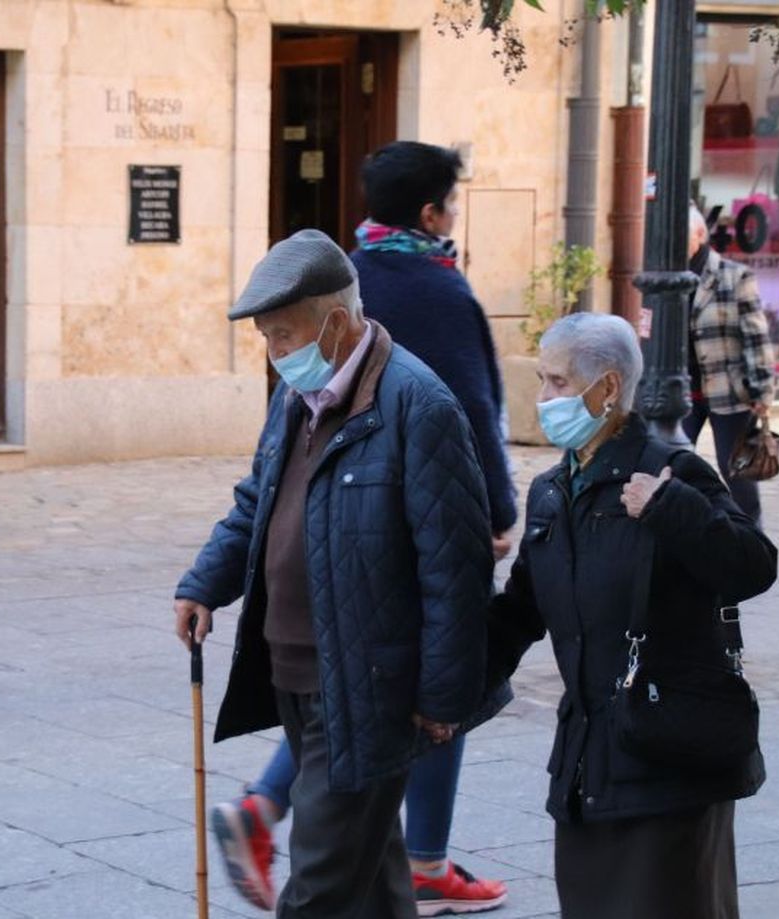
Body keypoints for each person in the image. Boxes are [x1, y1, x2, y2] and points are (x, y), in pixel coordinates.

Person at [211, 141, 515, 916]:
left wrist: (444, 696)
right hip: (299, 666)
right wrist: (202, 582)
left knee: (318, 880)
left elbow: (455, 569)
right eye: (268, 340)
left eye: (284, 337)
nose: (276, 356)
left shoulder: (419, 404)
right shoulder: (296, 398)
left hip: (371, 673)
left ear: (339, 323)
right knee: (372, 876)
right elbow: (258, 499)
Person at [484, 312, 777, 919]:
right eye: (542, 380)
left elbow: (753, 565)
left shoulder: (671, 469)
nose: (543, 398)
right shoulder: (551, 491)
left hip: (670, 759)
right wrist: (438, 688)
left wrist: (671, 507)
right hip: (589, 762)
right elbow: (518, 616)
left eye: (558, 382)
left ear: (608, 388)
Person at [686, 205, 776, 525]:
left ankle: (751, 538)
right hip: (682, 394)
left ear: (699, 234)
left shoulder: (734, 276)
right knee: (671, 464)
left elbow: (756, 337)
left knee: (737, 472)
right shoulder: (667, 274)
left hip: (728, 390)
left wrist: (762, 391)